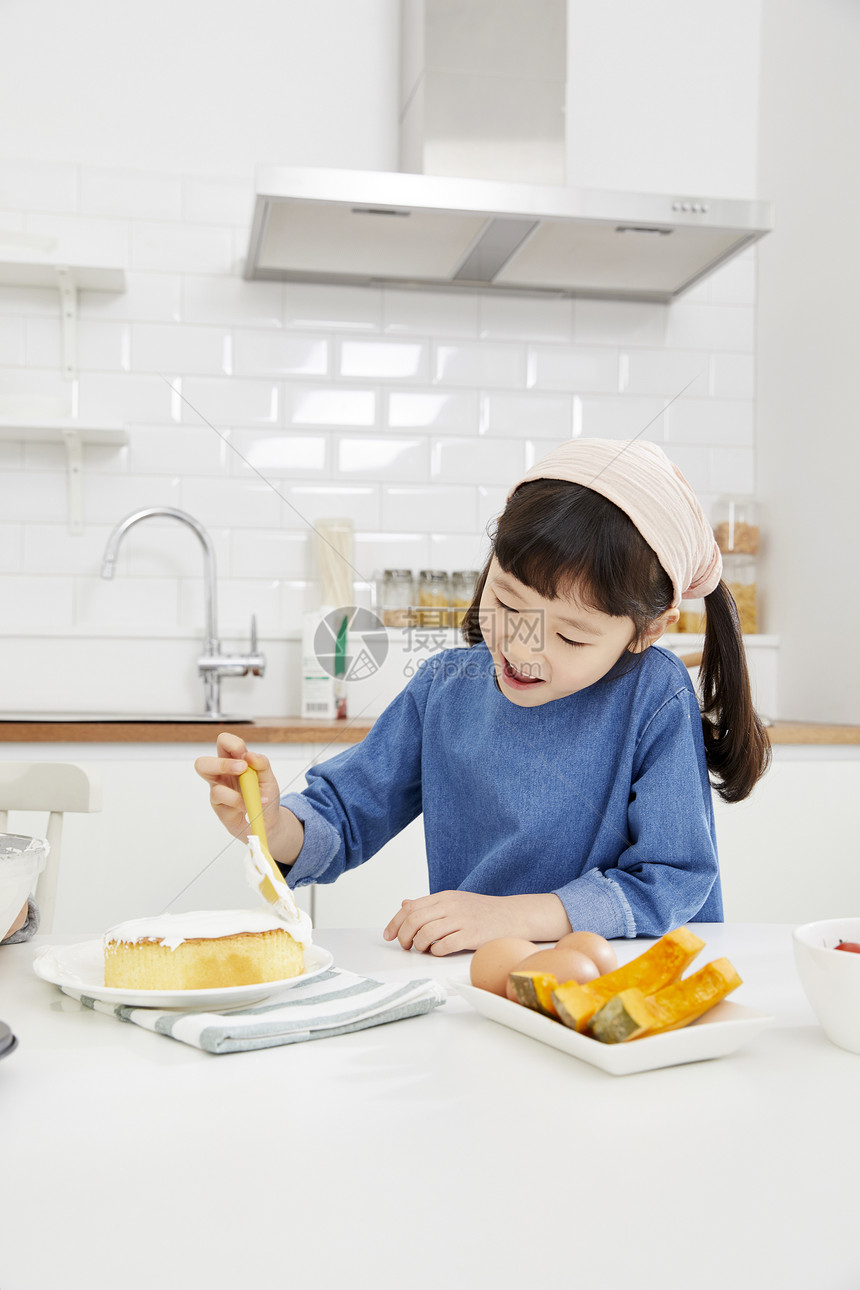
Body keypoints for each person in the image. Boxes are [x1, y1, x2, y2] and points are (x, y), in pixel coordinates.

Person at [195, 438, 770, 956]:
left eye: (570, 635)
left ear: (648, 630)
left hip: (632, 980)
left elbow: (673, 877)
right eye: (508, 603)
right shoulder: (448, 688)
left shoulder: (653, 694)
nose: (525, 647)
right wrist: (271, 825)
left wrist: (514, 916)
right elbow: (345, 815)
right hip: (478, 987)